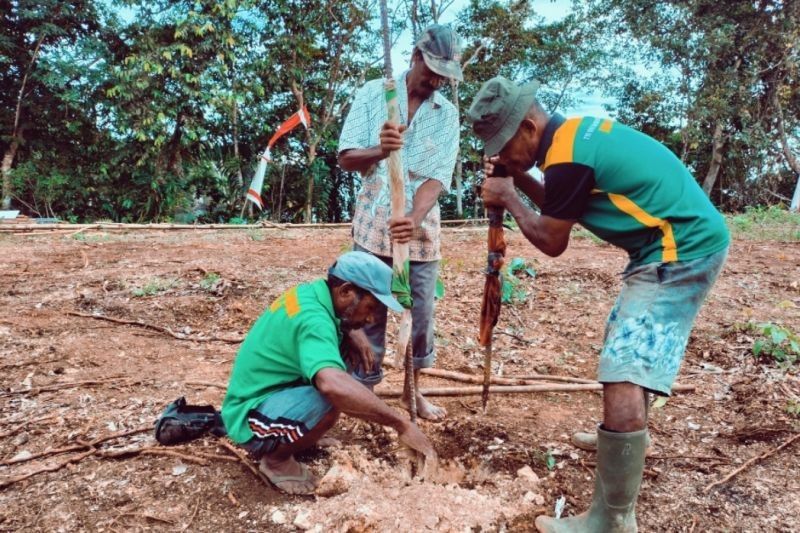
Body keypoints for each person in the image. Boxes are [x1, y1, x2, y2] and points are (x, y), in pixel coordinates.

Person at [467, 77, 729, 531]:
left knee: (625, 366)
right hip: (667, 245)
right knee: (623, 343)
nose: (503, 157)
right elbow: (563, 204)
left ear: (528, 127)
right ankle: (619, 441)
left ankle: (611, 520)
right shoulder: (571, 140)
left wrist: (510, 196)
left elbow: (552, 238)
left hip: (679, 249)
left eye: (505, 146)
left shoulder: (567, 155)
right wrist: (522, 179)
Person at [220, 251, 436, 495]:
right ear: (345, 292)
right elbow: (332, 384)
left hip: (268, 392)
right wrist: (401, 424)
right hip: (248, 415)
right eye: (370, 307)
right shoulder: (314, 321)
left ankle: (297, 434)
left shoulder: (313, 295)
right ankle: (276, 461)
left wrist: (350, 330)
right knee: (330, 396)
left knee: (342, 358)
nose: (371, 318)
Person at [337, 24, 463, 421]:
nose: (436, 80)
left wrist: (412, 219)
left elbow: (437, 177)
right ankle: (363, 391)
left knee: (419, 313)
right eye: (432, 70)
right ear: (415, 57)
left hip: (420, 233)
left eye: (445, 74)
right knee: (365, 310)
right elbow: (346, 157)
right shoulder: (375, 94)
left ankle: (414, 391)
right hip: (373, 226)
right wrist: (380, 148)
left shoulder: (448, 115)